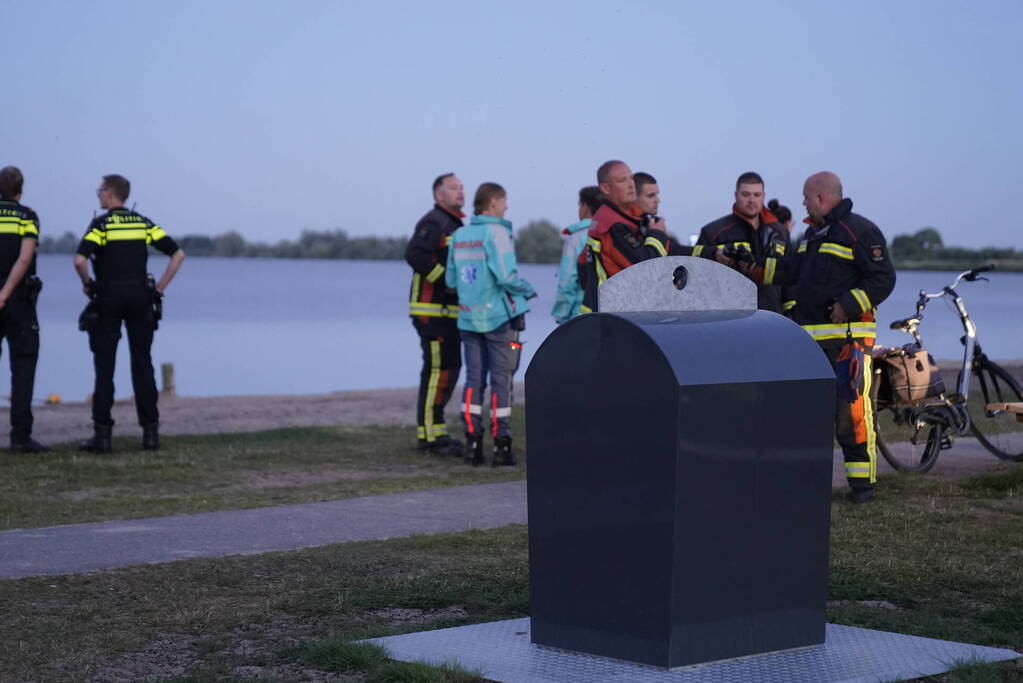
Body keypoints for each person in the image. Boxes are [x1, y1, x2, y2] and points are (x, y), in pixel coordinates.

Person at [762, 172, 896, 503]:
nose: (803, 203)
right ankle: (809, 484)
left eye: (806, 197)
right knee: (809, 417)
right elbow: (791, 274)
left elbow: (883, 278)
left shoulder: (860, 231)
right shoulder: (811, 235)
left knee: (852, 416)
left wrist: (849, 304)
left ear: (821, 197)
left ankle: (862, 487)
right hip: (810, 345)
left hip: (848, 344)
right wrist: (750, 266)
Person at [74, 174, 186, 453]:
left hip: (108, 298)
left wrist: (88, 285)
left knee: (105, 367)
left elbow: (79, 260)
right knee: (143, 363)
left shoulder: (101, 225)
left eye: (100, 190)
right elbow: (178, 254)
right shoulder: (142, 223)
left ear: (110, 193)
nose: (98, 194)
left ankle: (103, 437)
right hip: (140, 298)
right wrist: (159, 288)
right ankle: (150, 434)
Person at [446, 182, 535, 467]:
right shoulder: (497, 232)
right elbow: (507, 276)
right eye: (504, 201)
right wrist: (528, 290)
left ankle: (472, 444)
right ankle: (501, 446)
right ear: (494, 202)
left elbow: (450, 280)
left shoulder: (459, 235)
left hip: (468, 318)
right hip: (498, 319)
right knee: (501, 381)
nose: (506, 207)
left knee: (473, 380)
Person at [405, 173, 466, 457]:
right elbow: (415, 255)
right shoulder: (434, 222)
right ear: (438, 195)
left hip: (449, 313)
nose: (460, 192)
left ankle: (437, 431)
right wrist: (447, 281)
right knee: (436, 372)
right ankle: (429, 437)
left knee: (449, 369)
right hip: (431, 312)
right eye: (453, 188)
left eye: (461, 188)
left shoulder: (454, 224)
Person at [579, 161, 675, 313]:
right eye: (622, 180)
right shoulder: (613, 225)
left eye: (631, 178)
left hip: (603, 310)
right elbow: (647, 268)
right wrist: (658, 234)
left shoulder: (608, 218)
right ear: (606, 188)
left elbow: (582, 264)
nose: (631, 185)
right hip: (613, 314)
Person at [0, 166, 48, 453]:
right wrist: (5, 293)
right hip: (18, 299)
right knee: (23, 366)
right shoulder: (27, 216)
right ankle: (20, 437)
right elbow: (24, 258)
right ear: (20, 190)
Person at [692, 172, 790, 312]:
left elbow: (789, 275)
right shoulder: (713, 232)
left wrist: (790, 309)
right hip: (731, 315)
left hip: (772, 315)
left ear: (763, 196)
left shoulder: (779, 232)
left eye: (756, 195)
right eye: (745, 194)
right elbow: (698, 276)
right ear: (736, 195)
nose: (751, 200)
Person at [551, 186, 602, 324]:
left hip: (579, 314)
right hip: (606, 312)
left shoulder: (577, 237)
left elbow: (567, 280)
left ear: (585, 206)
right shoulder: (609, 233)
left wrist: (562, 316)